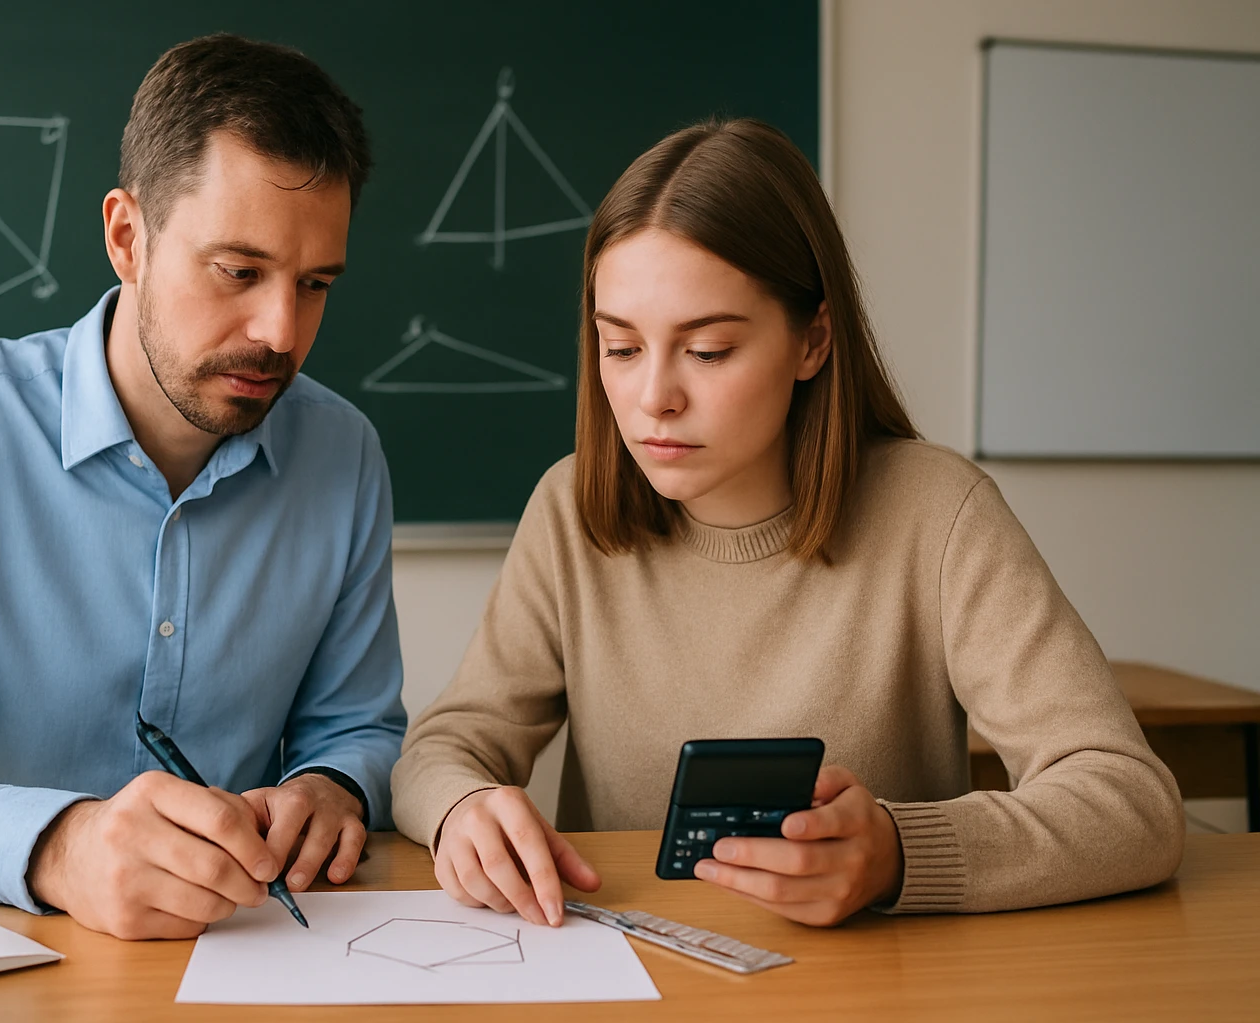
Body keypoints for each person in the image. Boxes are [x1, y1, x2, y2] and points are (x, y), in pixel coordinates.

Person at [391, 118, 1184, 929]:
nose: (653, 398)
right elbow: (444, 747)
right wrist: (462, 806)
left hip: (878, 977)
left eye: (707, 351)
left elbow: (1131, 802)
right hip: (638, 964)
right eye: (620, 348)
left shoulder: (938, 513)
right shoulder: (569, 511)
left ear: (813, 341)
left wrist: (898, 854)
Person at [0, 34, 407, 941]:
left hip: (243, 948)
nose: (281, 332)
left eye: (316, 283)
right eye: (239, 272)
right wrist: (56, 847)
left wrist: (331, 787)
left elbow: (358, 729)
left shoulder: (344, 454)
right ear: (127, 238)